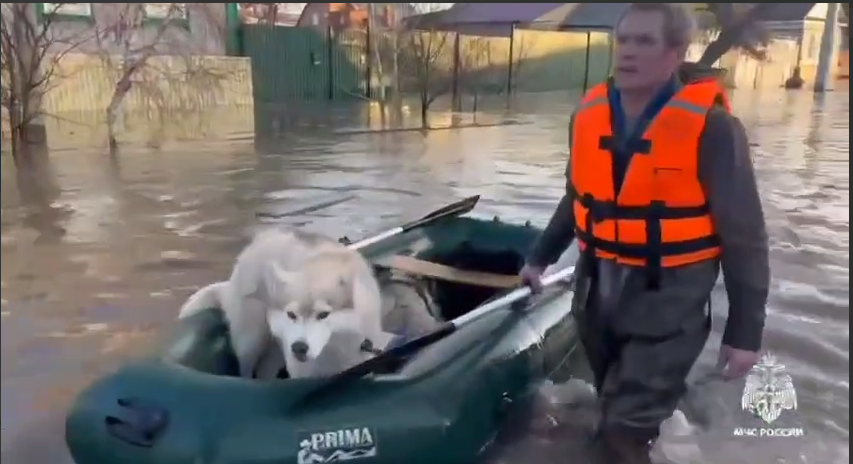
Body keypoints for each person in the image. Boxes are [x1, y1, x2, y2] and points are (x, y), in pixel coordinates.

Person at [519, 3, 770, 463]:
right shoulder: (588, 116)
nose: (628, 52)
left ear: (675, 51)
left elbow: (745, 236)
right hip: (597, 288)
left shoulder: (714, 129)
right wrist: (540, 257)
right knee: (610, 401)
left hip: (669, 297)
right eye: (624, 40)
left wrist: (745, 330)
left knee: (624, 428)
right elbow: (578, 198)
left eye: (644, 42)